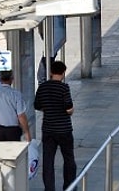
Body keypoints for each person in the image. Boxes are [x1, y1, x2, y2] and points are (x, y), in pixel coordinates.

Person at [34, 60, 77, 191]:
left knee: (48, 161)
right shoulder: (64, 88)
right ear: (63, 73)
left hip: (48, 129)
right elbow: (68, 108)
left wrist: (48, 108)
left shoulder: (42, 87)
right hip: (64, 129)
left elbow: (37, 105)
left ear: (51, 72)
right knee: (68, 159)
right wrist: (69, 111)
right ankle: (69, 186)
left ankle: (49, 188)